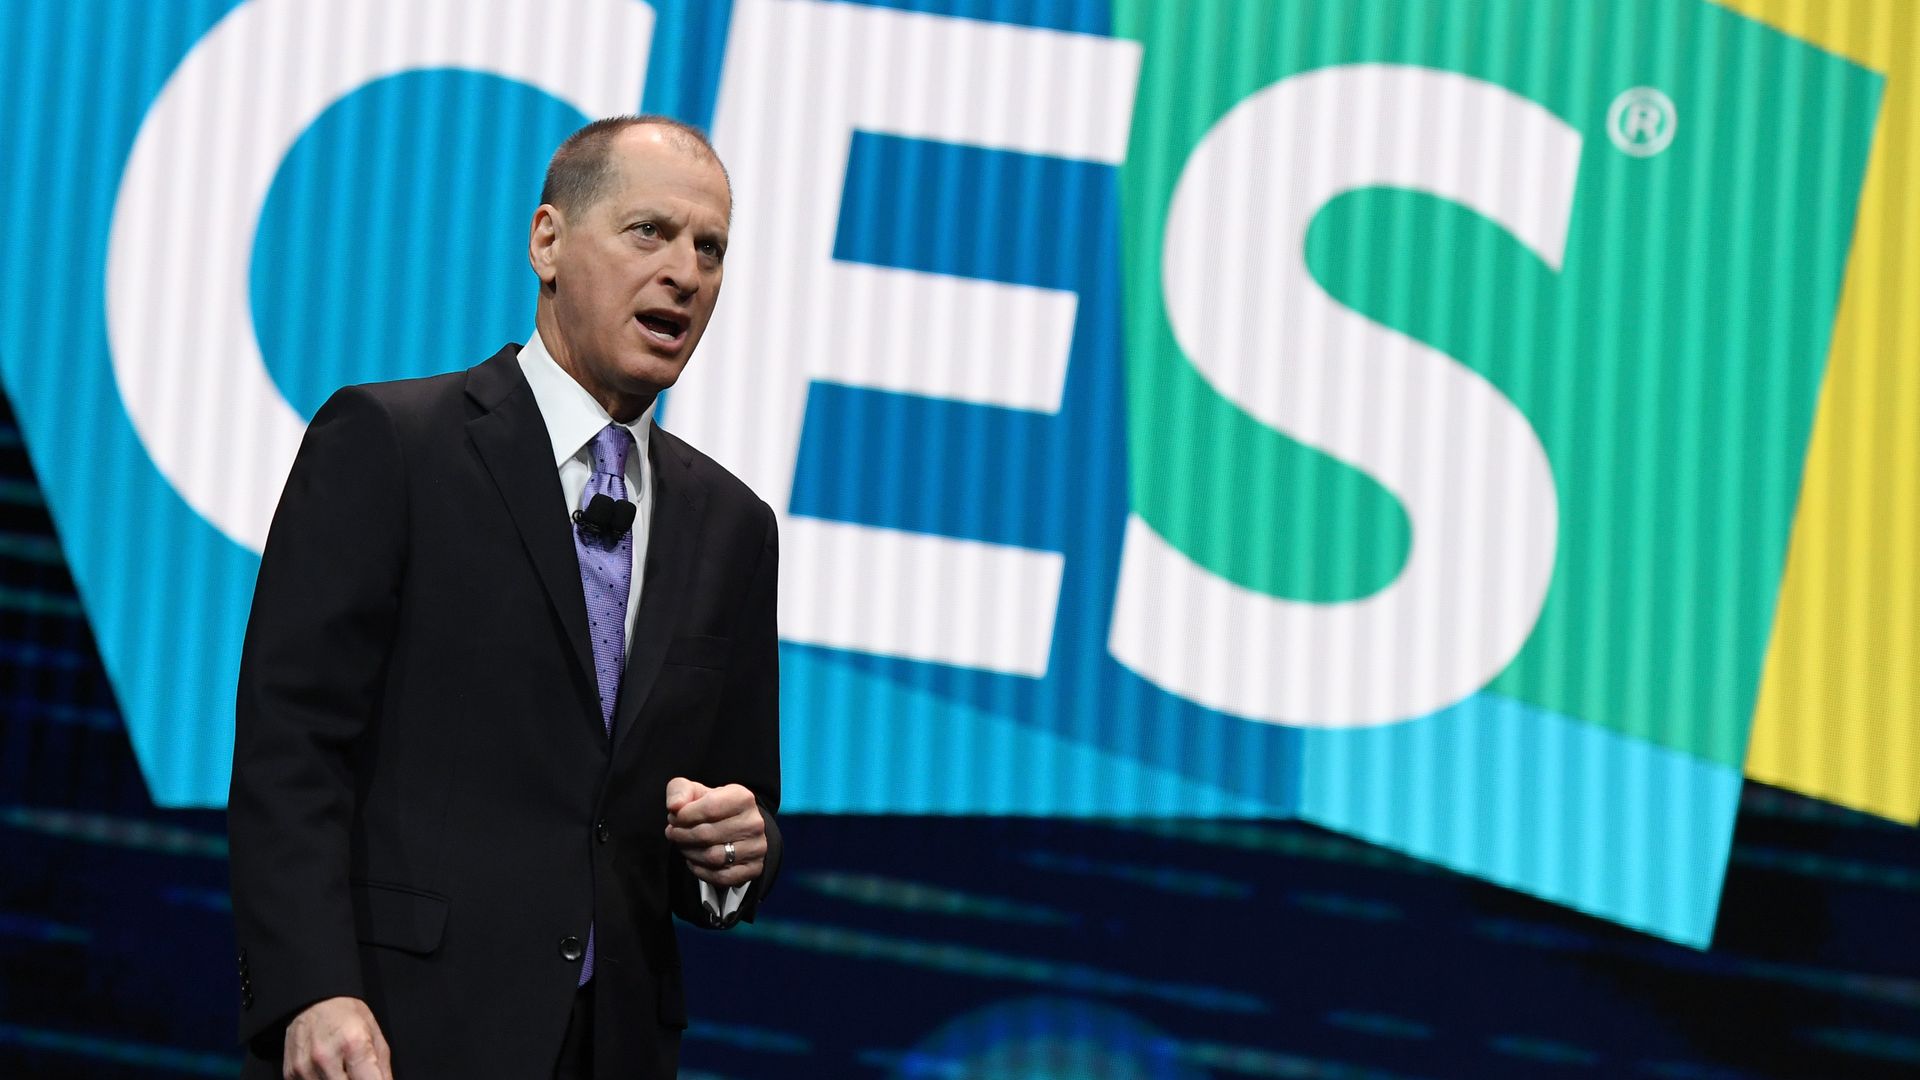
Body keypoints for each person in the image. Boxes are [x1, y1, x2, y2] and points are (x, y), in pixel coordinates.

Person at [227, 115, 782, 1080]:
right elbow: (291, 745)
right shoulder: (393, 445)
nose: (686, 273)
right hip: (396, 1032)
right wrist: (312, 986)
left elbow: (733, 806)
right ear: (548, 242)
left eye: (711, 248)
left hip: (614, 1048)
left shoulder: (733, 526)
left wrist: (741, 851)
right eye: (649, 232)